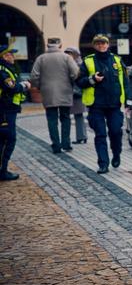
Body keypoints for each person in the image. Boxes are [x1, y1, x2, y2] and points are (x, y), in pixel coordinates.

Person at [76, 34, 130, 174]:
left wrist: (129, 100)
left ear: (108, 45)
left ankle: (116, 154)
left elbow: (125, 82)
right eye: (98, 43)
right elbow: (79, 82)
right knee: (100, 135)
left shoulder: (117, 60)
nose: (101, 46)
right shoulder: (88, 62)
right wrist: (92, 79)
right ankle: (103, 164)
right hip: (96, 105)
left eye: (103, 43)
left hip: (114, 105)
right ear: (94, 46)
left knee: (116, 132)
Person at [30, 37, 80, 154]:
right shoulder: (67, 57)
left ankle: (56, 145)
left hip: (48, 92)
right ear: (60, 45)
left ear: (47, 45)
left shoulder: (40, 58)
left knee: (52, 119)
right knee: (65, 118)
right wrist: (71, 82)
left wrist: (38, 86)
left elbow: (34, 76)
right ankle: (66, 144)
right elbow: (75, 73)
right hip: (65, 91)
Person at [0, 46, 31, 181]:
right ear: (4, 56)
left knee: (4, 140)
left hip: (8, 109)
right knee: (8, 139)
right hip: (5, 110)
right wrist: (25, 86)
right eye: (10, 54)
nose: (13, 57)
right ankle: (2, 171)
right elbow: (11, 88)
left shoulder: (8, 69)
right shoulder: (2, 71)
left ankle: (2, 169)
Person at [64, 47, 87, 144]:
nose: (67, 55)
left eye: (69, 53)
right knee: (78, 115)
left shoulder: (78, 64)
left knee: (79, 115)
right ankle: (82, 137)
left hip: (76, 93)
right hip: (73, 93)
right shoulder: (74, 63)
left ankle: (81, 137)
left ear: (75, 54)